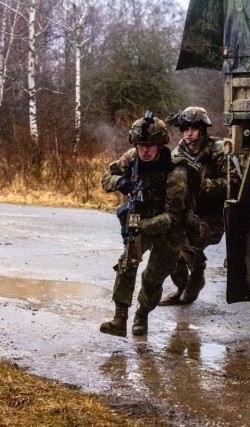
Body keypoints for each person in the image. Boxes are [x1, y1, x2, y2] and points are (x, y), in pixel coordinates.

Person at [99, 114, 197, 337]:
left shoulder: (176, 172)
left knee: (152, 279)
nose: (145, 150)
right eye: (141, 145)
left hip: (170, 230)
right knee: (126, 264)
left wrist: (141, 226)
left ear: (161, 144)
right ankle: (120, 318)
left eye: (150, 145)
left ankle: (141, 315)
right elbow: (106, 177)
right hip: (141, 220)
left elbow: (172, 218)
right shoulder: (132, 158)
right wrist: (120, 182)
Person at [159, 106, 240, 306]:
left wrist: (204, 185)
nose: (189, 134)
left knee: (188, 242)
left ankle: (196, 278)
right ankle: (181, 287)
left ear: (203, 130)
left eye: (194, 129)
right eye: (185, 129)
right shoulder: (177, 155)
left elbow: (235, 183)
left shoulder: (218, 150)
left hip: (213, 217)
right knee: (168, 243)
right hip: (189, 214)